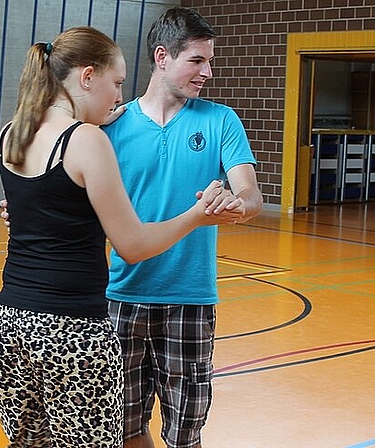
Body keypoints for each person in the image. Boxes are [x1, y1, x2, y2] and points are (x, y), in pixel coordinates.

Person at [0, 26, 244, 447]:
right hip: (71, 329)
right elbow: (132, 246)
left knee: (29, 442)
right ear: (87, 77)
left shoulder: (12, 133)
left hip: (12, 319)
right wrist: (196, 216)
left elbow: (33, 215)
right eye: (116, 84)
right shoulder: (86, 140)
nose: (118, 98)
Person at [102, 8, 263, 448]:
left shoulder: (220, 120)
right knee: (125, 426)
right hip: (121, 298)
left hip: (190, 300)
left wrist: (238, 203)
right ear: (162, 57)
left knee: (185, 433)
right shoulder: (111, 127)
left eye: (210, 61)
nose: (207, 72)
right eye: (197, 60)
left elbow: (251, 193)